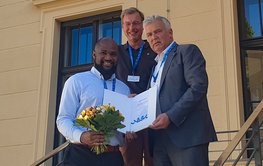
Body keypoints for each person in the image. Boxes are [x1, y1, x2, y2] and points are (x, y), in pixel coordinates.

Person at [143, 15, 218, 166]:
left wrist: (170, 116)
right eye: (149, 34)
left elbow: (198, 87)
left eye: (157, 32)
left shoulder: (187, 51)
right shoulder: (154, 67)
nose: (153, 37)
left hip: (187, 137)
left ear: (170, 33)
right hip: (159, 140)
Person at [56, 37, 130, 166]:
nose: (108, 57)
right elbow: (63, 119)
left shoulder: (124, 89)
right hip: (81, 154)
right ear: (94, 55)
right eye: (103, 52)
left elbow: (125, 126)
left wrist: (131, 129)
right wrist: (82, 136)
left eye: (113, 54)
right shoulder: (76, 81)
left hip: (112, 157)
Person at [116, 7, 156, 166]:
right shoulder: (116, 52)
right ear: (123, 27)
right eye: (127, 24)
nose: (132, 28)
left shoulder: (154, 50)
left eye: (136, 23)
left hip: (153, 116)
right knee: (129, 162)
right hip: (128, 120)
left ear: (143, 25)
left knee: (156, 161)